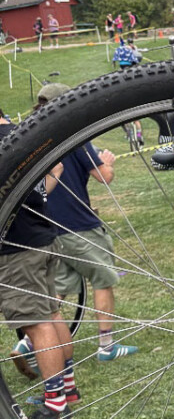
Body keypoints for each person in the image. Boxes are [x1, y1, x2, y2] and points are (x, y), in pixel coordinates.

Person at [34, 83, 138, 363]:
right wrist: (107, 161)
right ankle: (106, 345)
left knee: (60, 289)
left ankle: (29, 346)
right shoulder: (75, 136)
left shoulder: (33, 139)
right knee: (103, 280)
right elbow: (104, 176)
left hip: (47, 228)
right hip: (80, 226)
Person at [0, 109, 75, 419]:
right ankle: (67, 391)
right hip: (42, 235)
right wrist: (36, 196)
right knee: (52, 314)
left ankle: (55, 405)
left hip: (17, 249)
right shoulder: (21, 131)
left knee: (36, 323)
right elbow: (56, 164)